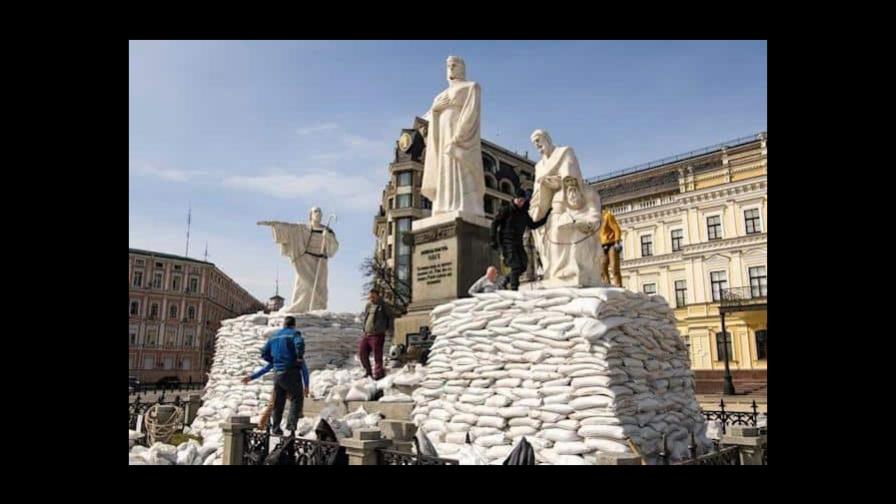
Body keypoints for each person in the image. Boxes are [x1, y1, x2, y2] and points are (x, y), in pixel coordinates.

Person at [240, 316, 306, 436]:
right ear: (294, 325)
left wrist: (272, 360)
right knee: (296, 398)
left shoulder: (274, 336)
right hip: (291, 372)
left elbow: (264, 353)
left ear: (284, 324)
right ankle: (291, 428)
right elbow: (299, 343)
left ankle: (276, 428)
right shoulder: (294, 334)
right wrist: (299, 356)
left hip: (277, 374)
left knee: (278, 402)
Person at [490, 189, 551, 290]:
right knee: (515, 265)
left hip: (518, 242)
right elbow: (494, 223)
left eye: (522, 200)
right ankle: (514, 289)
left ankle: (505, 280)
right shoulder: (506, 210)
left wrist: (547, 216)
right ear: (514, 199)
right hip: (507, 241)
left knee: (523, 265)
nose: (521, 203)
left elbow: (533, 225)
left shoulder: (524, 214)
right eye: (519, 200)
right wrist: (493, 239)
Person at [243, 357, 309, 432]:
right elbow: (305, 372)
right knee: (295, 402)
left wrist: (252, 377)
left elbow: (266, 369)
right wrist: (306, 386)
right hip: (293, 384)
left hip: (280, 382)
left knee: (274, 404)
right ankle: (290, 426)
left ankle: (271, 426)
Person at [359, 290, 394, 380]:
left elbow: (390, 317)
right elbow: (366, 317)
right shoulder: (368, 305)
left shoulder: (384, 305)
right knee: (362, 353)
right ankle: (368, 372)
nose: (371, 299)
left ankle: (379, 374)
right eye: (370, 297)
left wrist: (388, 330)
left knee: (377, 356)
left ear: (378, 296)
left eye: (373, 297)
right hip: (367, 334)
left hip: (377, 335)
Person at [599, 208, 624, 287]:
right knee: (602, 267)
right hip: (602, 245)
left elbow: (617, 229)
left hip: (612, 243)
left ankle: (618, 285)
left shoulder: (607, 216)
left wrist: (617, 241)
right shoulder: (595, 221)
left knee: (614, 267)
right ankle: (607, 285)